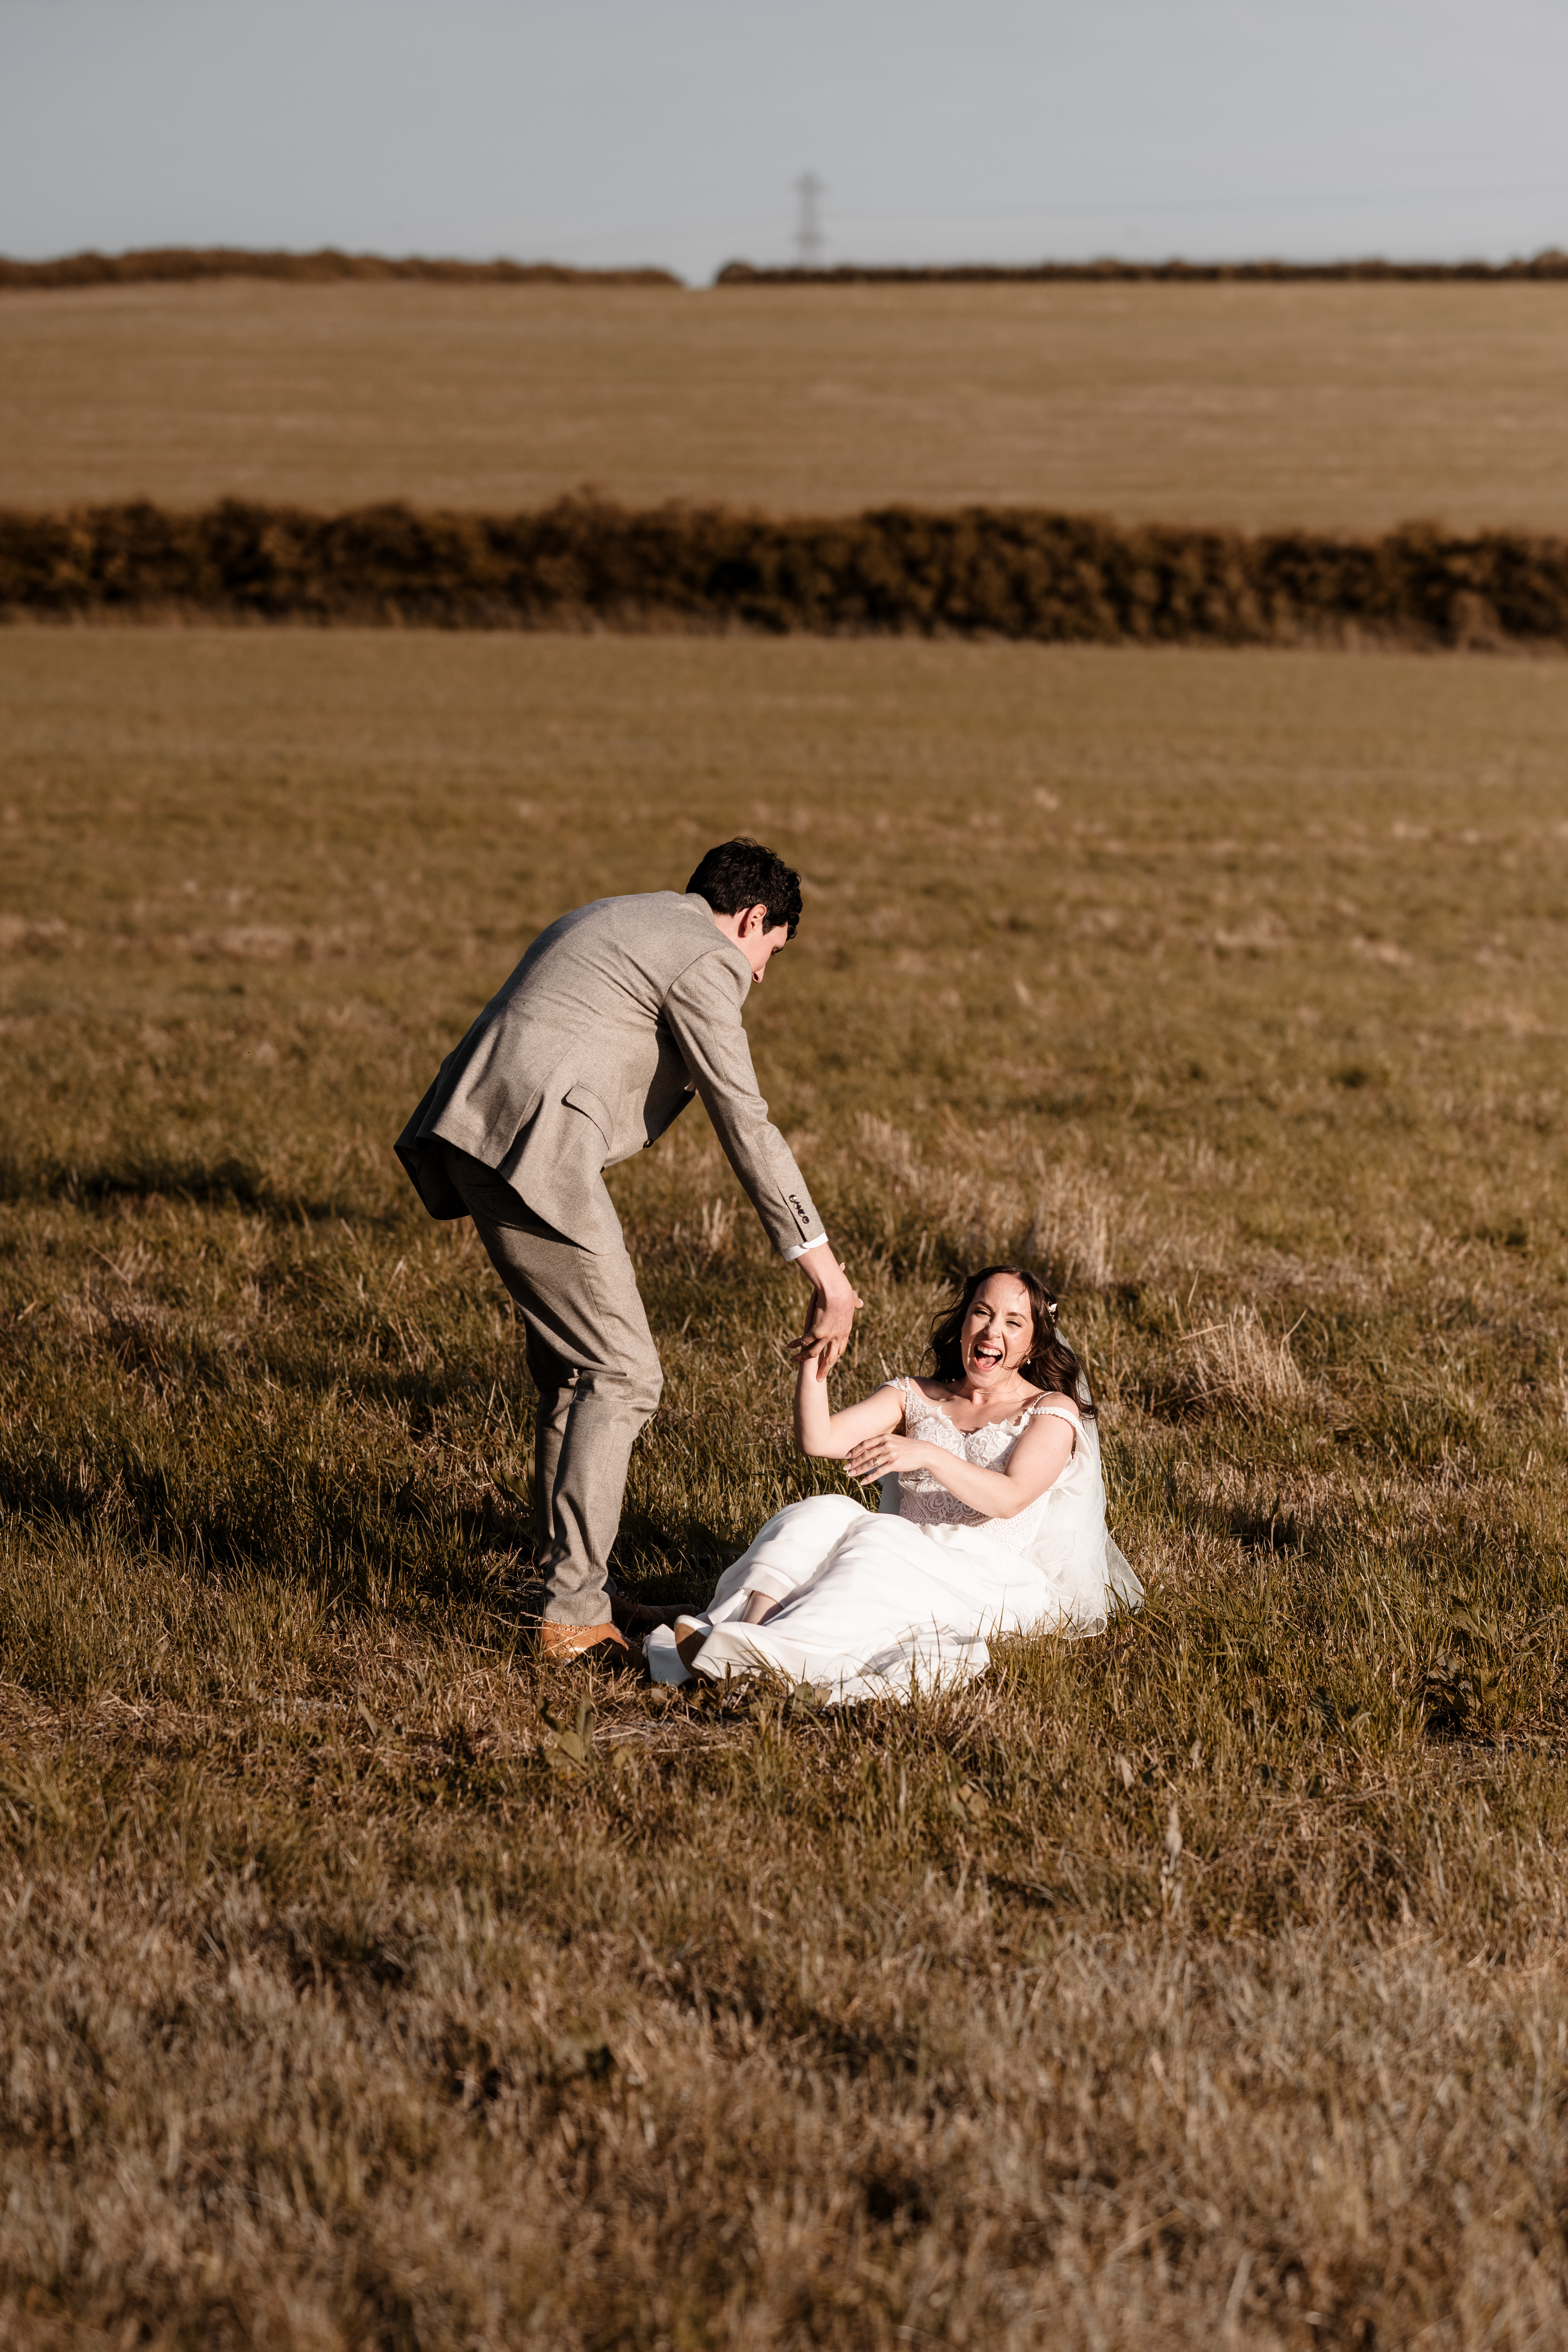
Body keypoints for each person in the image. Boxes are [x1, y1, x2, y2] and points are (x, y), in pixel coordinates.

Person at [395, 840, 861, 1663]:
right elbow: (742, 1118)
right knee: (623, 1371)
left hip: (473, 1131)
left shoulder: (622, 912)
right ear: (753, 919)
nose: (758, 976)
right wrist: (824, 1270)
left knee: (574, 1368)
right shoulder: (708, 956)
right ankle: (573, 1618)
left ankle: (566, 1585)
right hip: (535, 1145)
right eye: (769, 955)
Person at [647, 1265, 1140, 1701]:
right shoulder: (915, 1395)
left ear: (1032, 1344)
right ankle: (739, 1636)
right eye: (981, 1313)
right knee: (823, 1511)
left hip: (988, 1575)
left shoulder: (1048, 1410)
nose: (992, 1330)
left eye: (1013, 1322)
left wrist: (926, 1453)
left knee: (876, 1539)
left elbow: (1010, 1499)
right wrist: (816, 1352)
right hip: (900, 1547)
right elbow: (819, 1439)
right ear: (963, 1322)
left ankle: (772, 1653)